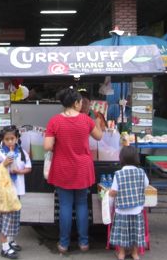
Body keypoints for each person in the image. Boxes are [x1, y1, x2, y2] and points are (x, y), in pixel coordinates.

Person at [44, 87, 103, 254]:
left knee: (65, 206)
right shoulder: (86, 120)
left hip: (63, 167)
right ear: (76, 103)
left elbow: (48, 146)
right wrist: (97, 121)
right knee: (82, 204)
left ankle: (63, 244)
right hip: (83, 168)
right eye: (80, 102)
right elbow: (99, 136)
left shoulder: (54, 121)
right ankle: (84, 243)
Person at [0, 125, 32, 259]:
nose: (10, 142)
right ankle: (5, 247)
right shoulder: (1, 153)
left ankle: (11, 240)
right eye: (7, 139)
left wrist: (19, 171)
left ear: (17, 138)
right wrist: (4, 164)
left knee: (14, 218)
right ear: (2, 140)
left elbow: (28, 168)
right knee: (5, 219)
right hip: (4, 192)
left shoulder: (22, 153)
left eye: (12, 138)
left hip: (17, 190)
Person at [108, 146, 149, 260]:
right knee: (136, 232)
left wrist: (109, 199)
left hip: (122, 210)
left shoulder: (118, 174)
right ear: (136, 158)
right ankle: (135, 254)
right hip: (137, 209)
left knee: (122, 232)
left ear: (121, 158)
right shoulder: (141, 172)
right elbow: (146, 184)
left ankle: (121, 253)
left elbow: (114, 191)